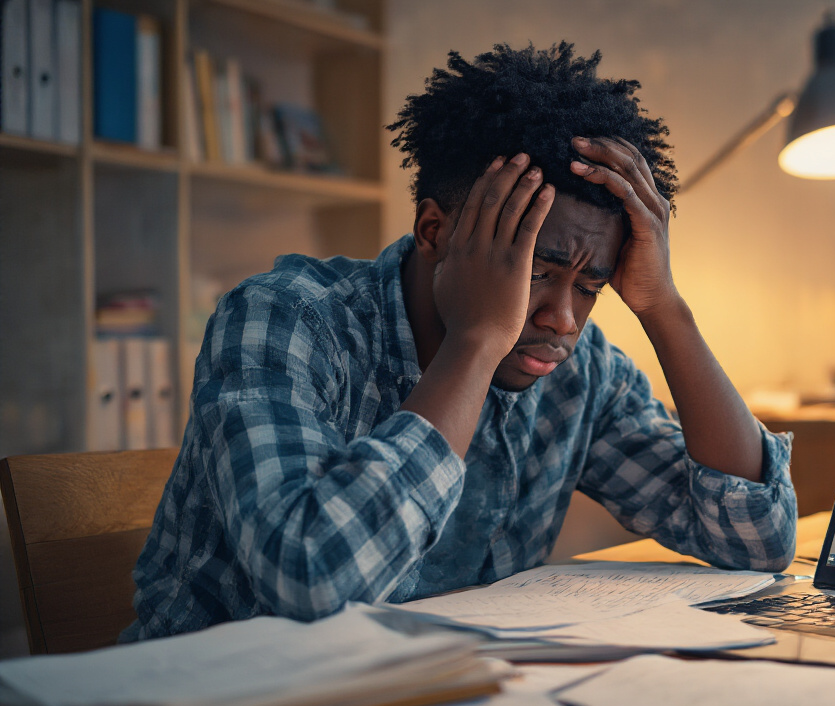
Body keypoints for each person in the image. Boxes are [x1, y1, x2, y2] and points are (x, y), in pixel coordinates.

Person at [122, 43, 796, 642]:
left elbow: (755, 541)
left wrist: (664, 308)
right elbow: (315, 581)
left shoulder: (578, 371)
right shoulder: (283, 322)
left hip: (432, 705)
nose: (563, 317)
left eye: (590, 286)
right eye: (536, 270)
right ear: (436, 231)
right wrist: (476, 341)